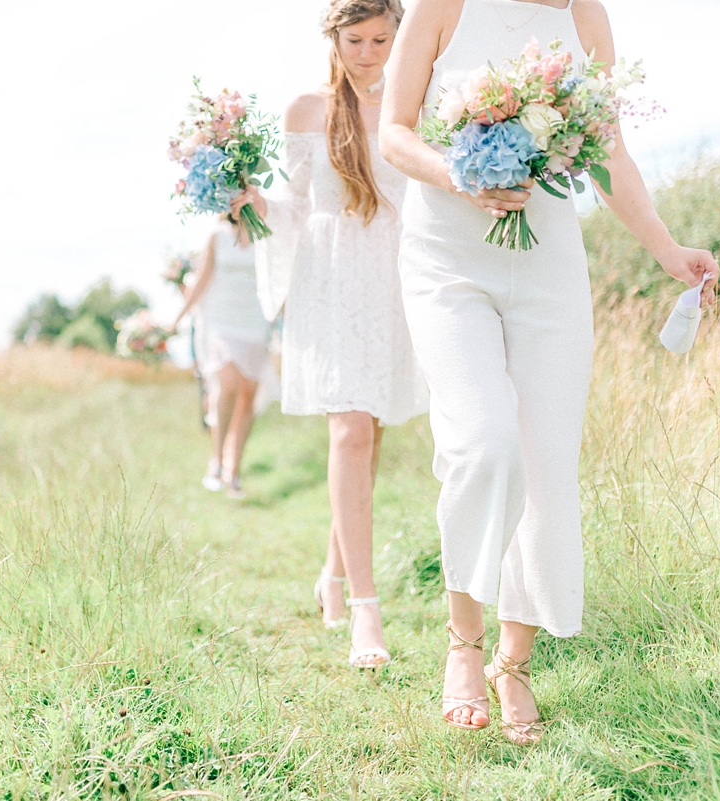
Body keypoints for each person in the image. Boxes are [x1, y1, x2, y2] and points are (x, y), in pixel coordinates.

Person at [379, 0, 718, 742]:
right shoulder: (444, 6)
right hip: (446, 263)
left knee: (545, 467)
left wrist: (667, 250)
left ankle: (513, 662)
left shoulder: (589, 18)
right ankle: (462, 644)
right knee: (483, 445)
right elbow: (395, 131)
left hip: (549, 268)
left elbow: (609, 152)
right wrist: (460, 174)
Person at [237, 0, 428, 669]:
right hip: (331, 279)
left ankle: (332, 572)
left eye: (382, 39)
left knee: (369, 433)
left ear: (400, 36)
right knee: (348, 429)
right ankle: (365, 614)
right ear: (334, 37)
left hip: (394, 278)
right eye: (357, 39)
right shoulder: (306, 111)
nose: (369, 52)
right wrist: (255, 205)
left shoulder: (418, 107)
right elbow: (293, 205)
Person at [173, 215, 278, 500]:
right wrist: (177, 321)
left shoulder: (265, 235)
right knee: (227, 384)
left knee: (247, 395)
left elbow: (275, 280)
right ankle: (217, 459)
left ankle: (234, 469)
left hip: (255, 321)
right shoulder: (216, 236)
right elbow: (202, 281)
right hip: (221, 321)